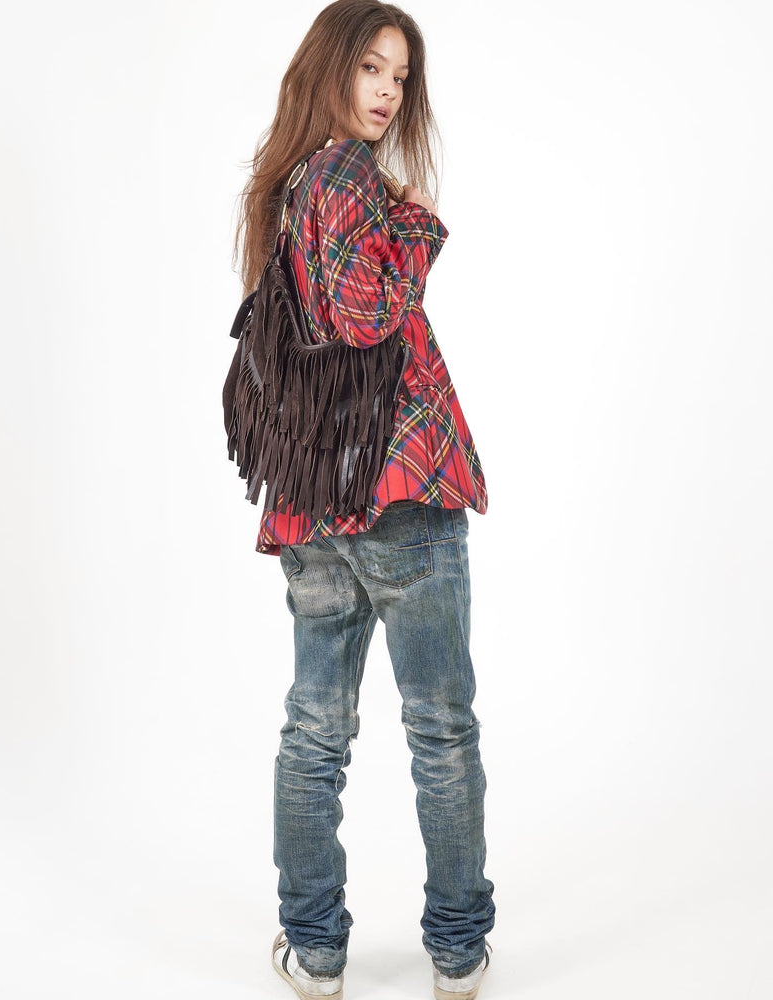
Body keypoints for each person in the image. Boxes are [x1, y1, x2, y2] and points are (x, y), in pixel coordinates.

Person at [232, 2, 495, 997]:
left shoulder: (289, 184)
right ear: (331, 69)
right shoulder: (346, 173)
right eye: (371, 68)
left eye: (400, 76)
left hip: (315, 500)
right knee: (441, 729)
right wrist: (418, 223)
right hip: (397, 490)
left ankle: (316, 952)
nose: (387, 90)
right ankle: (458, 952)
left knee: (315, 730)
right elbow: (363, 312)